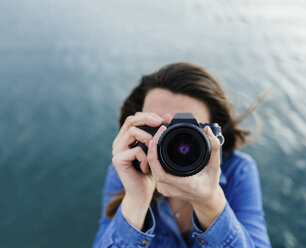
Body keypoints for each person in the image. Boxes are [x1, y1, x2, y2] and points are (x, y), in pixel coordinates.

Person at [92, 62, 271, 247]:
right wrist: (136, 200)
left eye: (189, 131)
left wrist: (210, 203)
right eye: (159, 128)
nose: (175, 142)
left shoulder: (239, 171)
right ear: (139, 128)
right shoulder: (126, 171)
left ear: (215, 137)